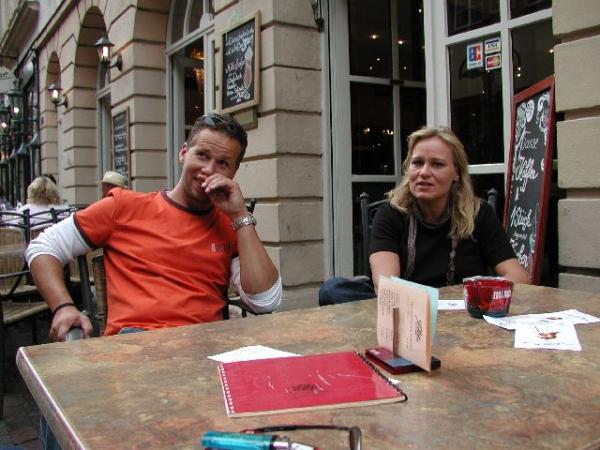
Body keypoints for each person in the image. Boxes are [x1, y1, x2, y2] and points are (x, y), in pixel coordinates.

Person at [26, 113, 282, 342]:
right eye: (202, 155)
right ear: (184, 153)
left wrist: (240, 216)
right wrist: (63, 307)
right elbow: (43, 247)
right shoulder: (124, 206)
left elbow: (264, 302)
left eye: (222, 163)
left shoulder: (231, 224)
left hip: (203, 346)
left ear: (233, 172)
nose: (208, 169)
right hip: (136, 344)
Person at [319, 126, 528, 304]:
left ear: (456, 173)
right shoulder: (390, 213)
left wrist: (474, 295)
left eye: (437, 164)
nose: (424, 172)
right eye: (417, 163)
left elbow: (518, 276)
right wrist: (429, 303)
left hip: (461, 308)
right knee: (333, 289)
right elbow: (387, 286)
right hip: (406, 308)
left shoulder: (478, 213)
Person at [6, 176, 72, 229]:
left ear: (32, 192)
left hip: (33, 241)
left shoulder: (24, 210)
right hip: (59, 241)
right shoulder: (64, 209)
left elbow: (13, 229)